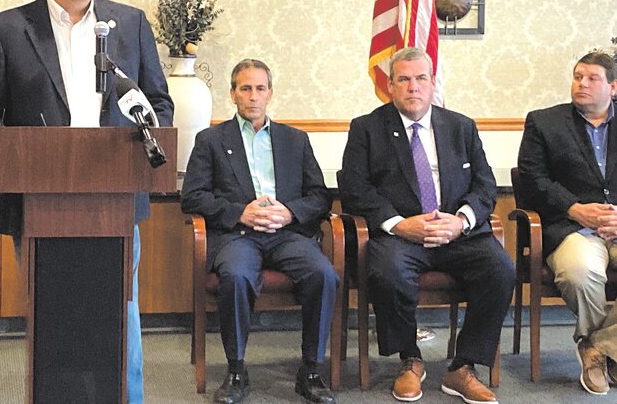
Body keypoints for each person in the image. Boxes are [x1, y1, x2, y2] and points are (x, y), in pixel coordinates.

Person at [0, 0, 173, 404]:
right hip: (40, 200)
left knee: (120, 316)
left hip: (115, 201)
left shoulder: (130, 24)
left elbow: (158, 99)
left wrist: (151, 133)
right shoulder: (8, 28)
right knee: (53, 319)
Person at [339, 46, 514, 404]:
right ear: (390, 86)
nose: (413, 87)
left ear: (433, 84)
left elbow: (485, 185)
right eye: (403, 79)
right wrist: (399, 224)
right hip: (401, 236)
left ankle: (462, 367)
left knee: (501, 269)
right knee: (386, 272)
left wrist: (461, 221)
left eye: (421, 78)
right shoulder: (367, 128)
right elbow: (355, 188)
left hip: (457, 233)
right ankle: (409, 360)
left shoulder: (460, 126)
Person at [181, 58, 338, 404]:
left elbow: (319, 196)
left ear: (270, 94)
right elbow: (192, 197)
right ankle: (236, 370)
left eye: (260, 88)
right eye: (245, 88)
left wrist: (288, 212)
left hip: (287, 234)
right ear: (233, 94)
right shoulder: (210, 140)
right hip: (238, 235)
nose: (253, 96)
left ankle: (310, 370)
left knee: (323, 274)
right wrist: (242, 213)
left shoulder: (294, 140)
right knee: (236, 277)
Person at [518, 51, 617, 395]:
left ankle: (598, 347)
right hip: (573, 228)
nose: (582, 84)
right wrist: (576, 209)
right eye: (578, 77)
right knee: (579, 273)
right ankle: (604, 352)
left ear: (613, 86)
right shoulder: (545, 122)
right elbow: (532, 178)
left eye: (592, 78)